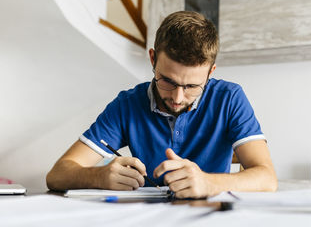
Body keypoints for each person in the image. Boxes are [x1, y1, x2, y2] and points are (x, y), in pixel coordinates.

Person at [46, 11, 277, 198]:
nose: (177, 98)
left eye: (192, 87)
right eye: (167, 81)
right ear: (153, 59)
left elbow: (267, 178)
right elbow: (57, 174)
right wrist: (98, 176)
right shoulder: (127, 105)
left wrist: (208, 182)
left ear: (210, 73)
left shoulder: (229, 98)